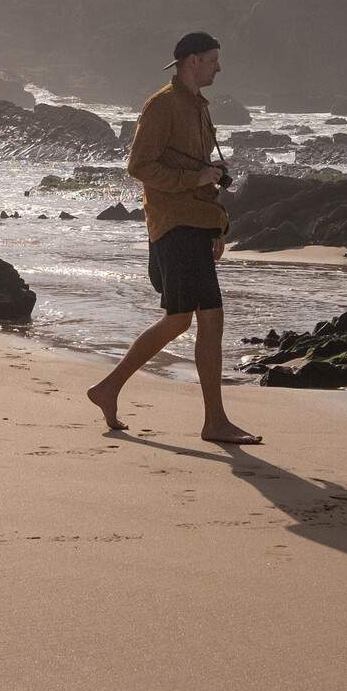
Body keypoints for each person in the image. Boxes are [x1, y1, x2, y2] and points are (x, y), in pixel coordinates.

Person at [86, 31, 261, 445]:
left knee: (182, 319)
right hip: (173, 225)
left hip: (192, 225)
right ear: (193, 61)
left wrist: (215, 223)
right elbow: (139, 165)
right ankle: (214, 421)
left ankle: (108, 389)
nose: (220, 67)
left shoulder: (198, 107)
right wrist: (193, 179)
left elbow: (202, 176)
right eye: (214, 59)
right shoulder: (162, 105)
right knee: (206, 318)